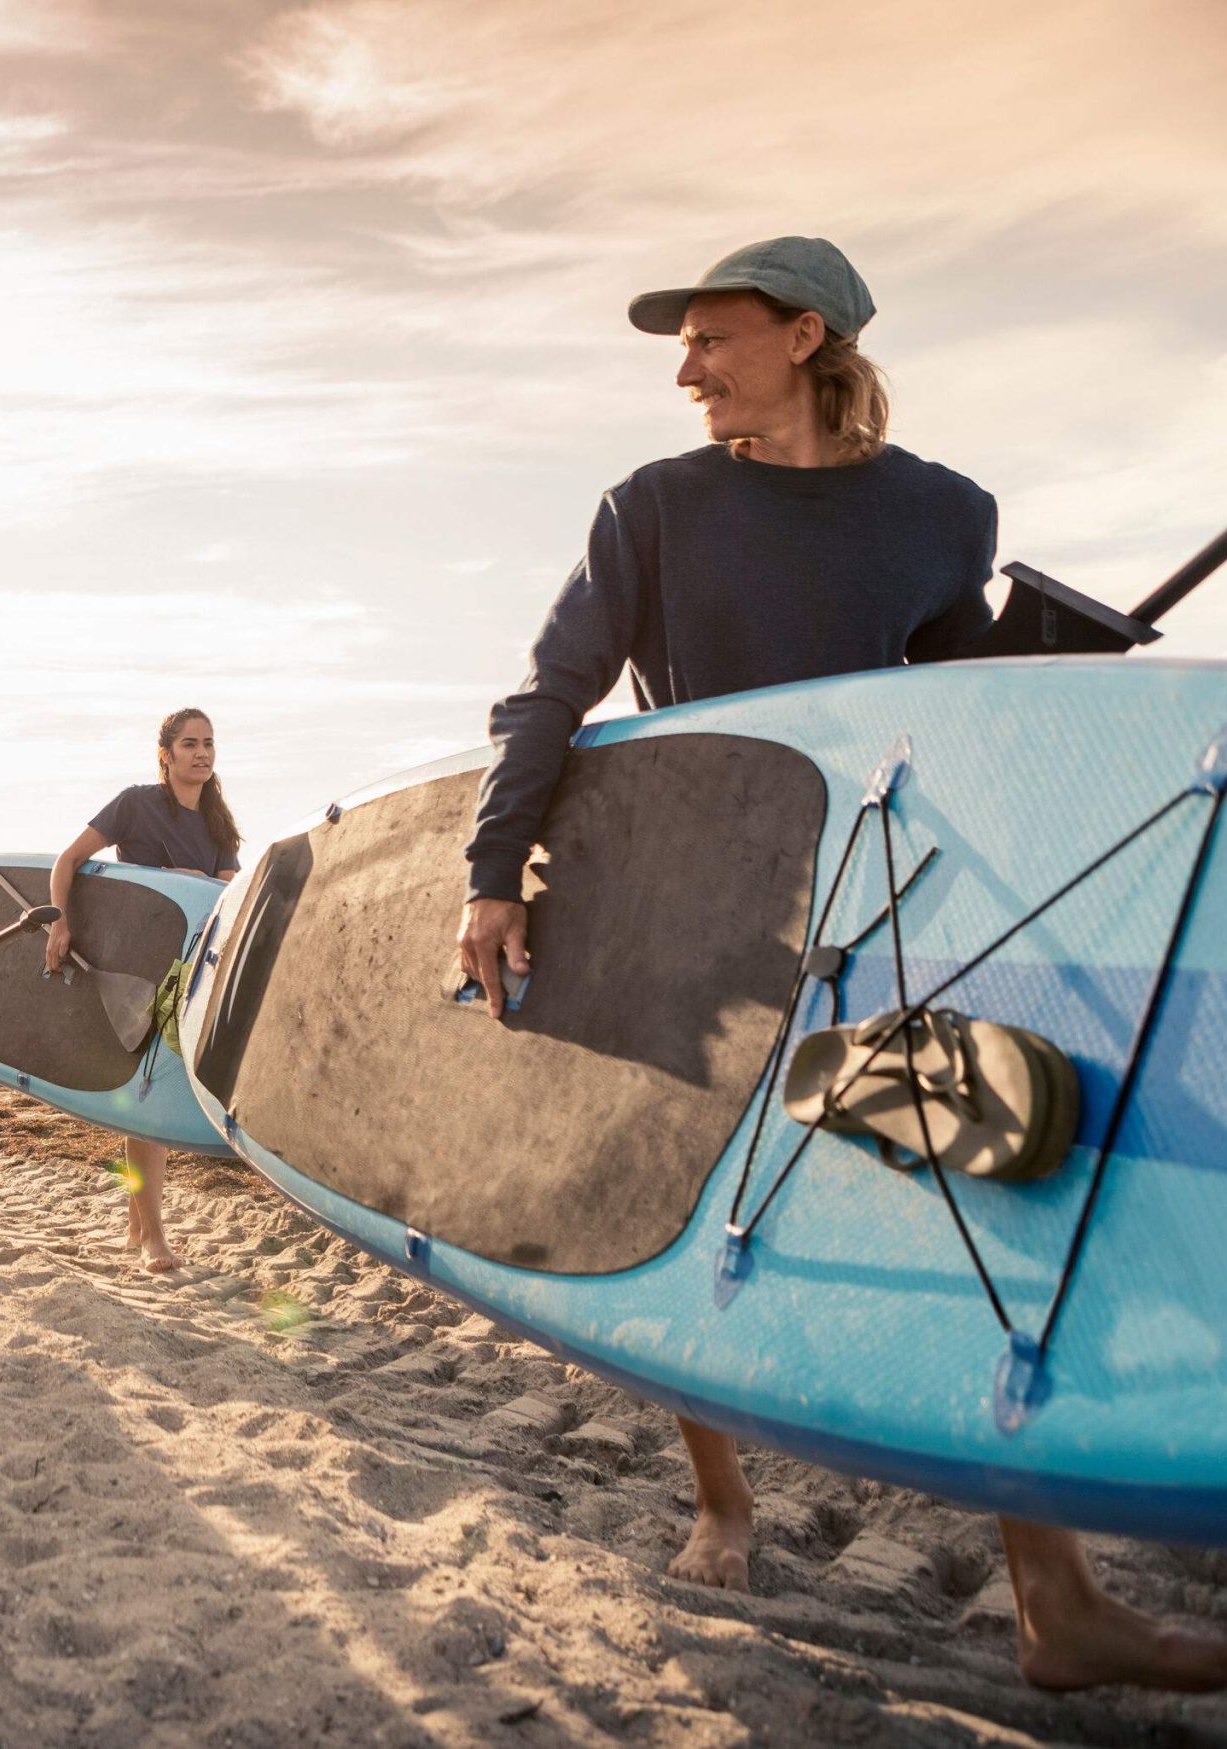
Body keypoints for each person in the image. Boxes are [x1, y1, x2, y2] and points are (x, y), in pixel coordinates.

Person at [453, 237, 1227, 1692]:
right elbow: (548, 689)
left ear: (807, 337)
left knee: (986, 1185)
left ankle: (1056, 1602)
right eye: (680, 348)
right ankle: (724, 1502)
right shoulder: (656, 507)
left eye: (711, 340)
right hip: (707, 902)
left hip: (894, 903)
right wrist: (494, 873)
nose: (684, 370)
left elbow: (957, 715)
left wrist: (1053, 663)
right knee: (685, 1196)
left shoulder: (942, 512)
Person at [44, 708, 240, 1271]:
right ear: (166, 755)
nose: (201, 753)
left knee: (147, 1094)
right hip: (135, 966)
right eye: (189, 744)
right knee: (145, 1098)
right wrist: (62, 922)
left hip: (188, 970)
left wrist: (194, 884)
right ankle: (153, 1235)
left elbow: (226, 895)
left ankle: (136, 1230)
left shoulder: (217, 824)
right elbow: (70, 860)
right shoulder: (136, 804)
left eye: (208, 744)